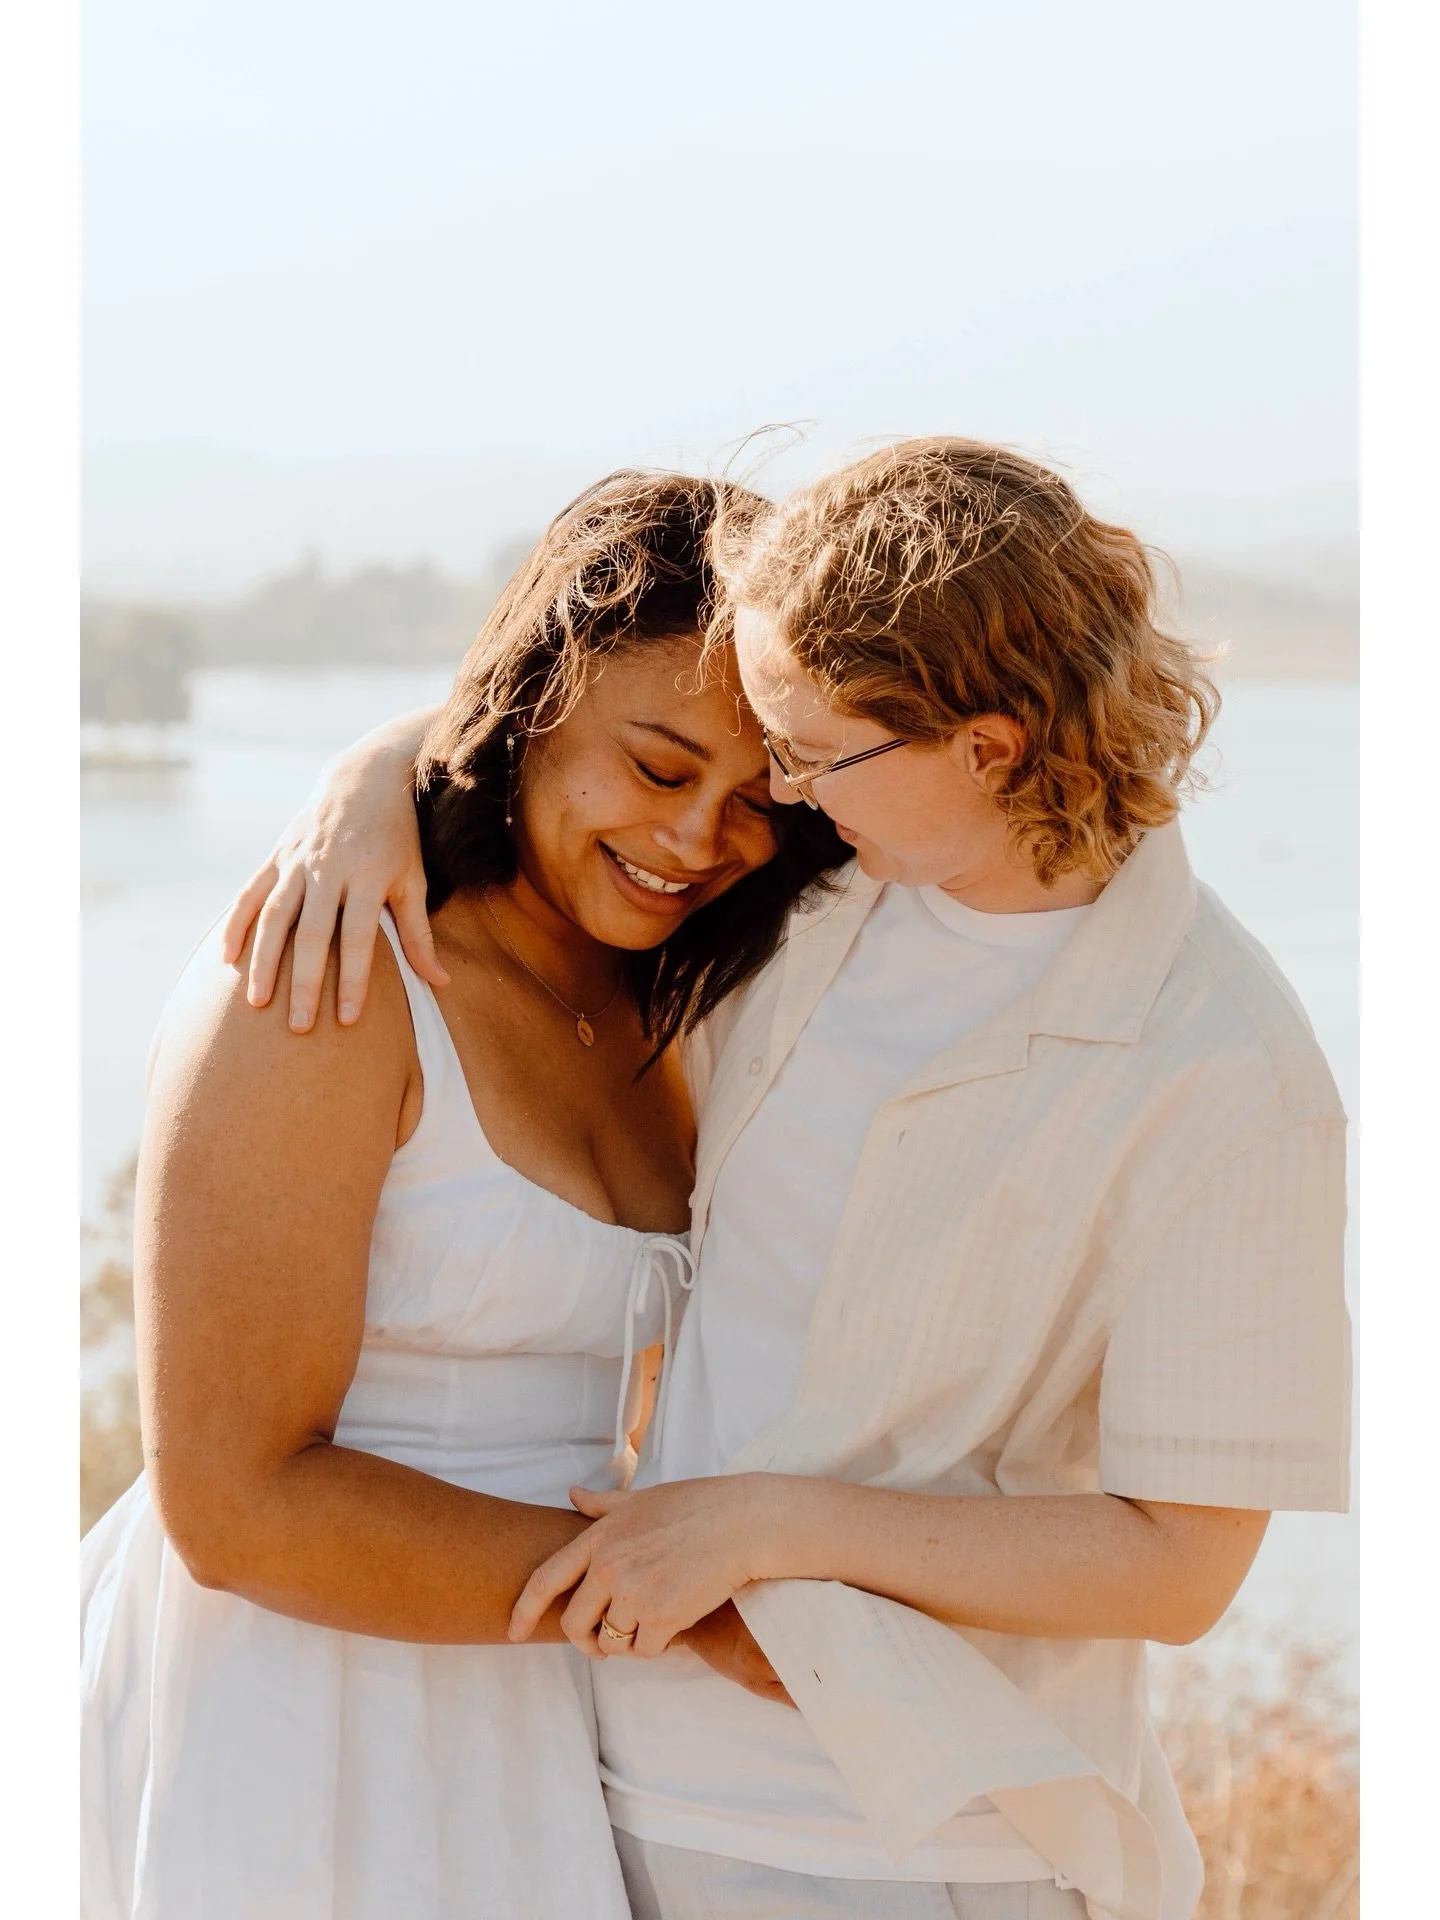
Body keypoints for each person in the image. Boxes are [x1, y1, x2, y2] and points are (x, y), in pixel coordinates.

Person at [230, 439, 1351, 1920]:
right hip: (602, 1783)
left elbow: (1179, 1566)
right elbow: (578, 711)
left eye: (812, 754)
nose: (779, 792)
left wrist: (769, 1525)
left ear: (989, 747)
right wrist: (372, 775)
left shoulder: (1224, 1066)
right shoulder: (823, 890)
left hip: (925, 1837)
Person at [80, 470, 848, 1920]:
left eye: (760, 799)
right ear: (540, 701)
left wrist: (384, 757)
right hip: (294, 1717)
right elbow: (236, 1504)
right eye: (660, 766)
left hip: (543, 1702)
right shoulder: (337, 974)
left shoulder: (677, 996)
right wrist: (688, 1602)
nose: (700, 839)